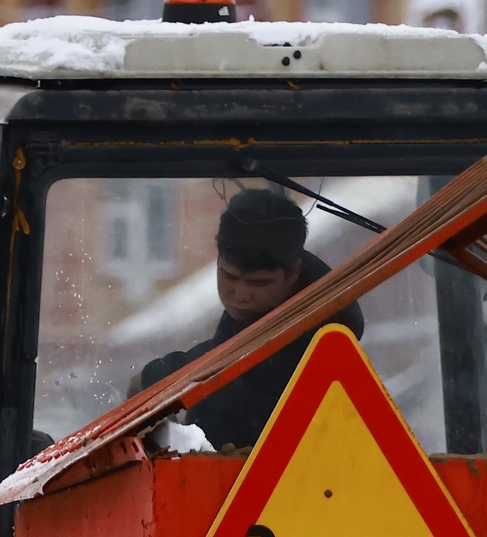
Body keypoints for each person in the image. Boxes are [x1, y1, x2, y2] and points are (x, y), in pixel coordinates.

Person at [135, 187, 365, 452]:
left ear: (293, 274)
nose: (240, 295)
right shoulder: (259, 316)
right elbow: (228, 352)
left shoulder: (316, 347)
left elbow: (241, 375)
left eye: (259, 283)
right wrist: (158, 377)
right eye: (228, 276)